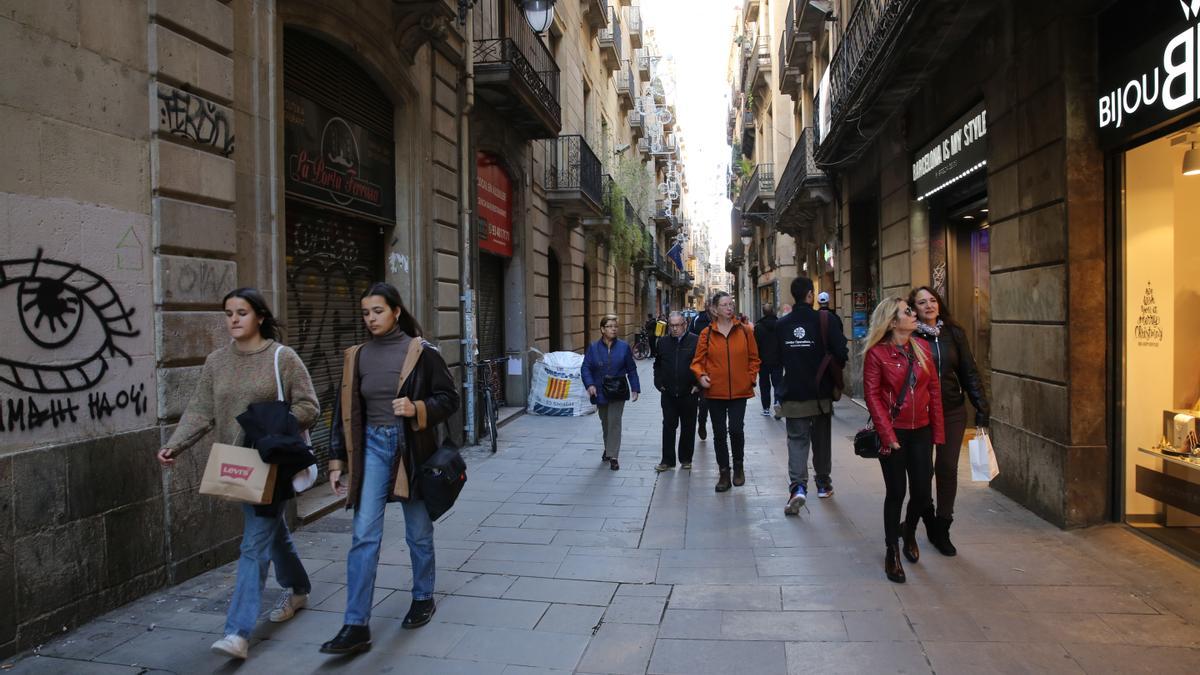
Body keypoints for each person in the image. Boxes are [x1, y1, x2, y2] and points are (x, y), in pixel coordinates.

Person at [158, 288, 319, 661]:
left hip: (272, 463)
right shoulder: (217, 361)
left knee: (253, 544)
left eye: (241, 312)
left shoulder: (282, 357)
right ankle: (298, 588)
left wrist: (274, 425)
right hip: (238, 464)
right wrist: (175, 445)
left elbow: (309, 405)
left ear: (260, 316)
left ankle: (237, 632)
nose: (233, 319)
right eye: (228, 313)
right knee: (272, 534)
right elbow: (200, 411)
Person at [320, 282, 460, 655]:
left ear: (396, 311)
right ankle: (355, 625)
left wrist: (417, 409)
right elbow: (343, 412)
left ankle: (423, 596)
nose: (371, 319)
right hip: (371, 450)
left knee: (417, 530)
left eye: (378, 311)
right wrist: (337, 462)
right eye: (366, 313)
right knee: (364, 535)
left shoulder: (421, 352)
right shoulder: (357, 355)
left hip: (410, 450)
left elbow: (450, 398)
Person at [862, 297, 944, 584]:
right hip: (893, 432)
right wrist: (887, 434)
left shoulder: (922, 348)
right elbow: (872, 397)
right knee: (896, 492)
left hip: (921, 430)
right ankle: (891, 551)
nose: (914, 314)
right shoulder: (877, 354)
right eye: (908, 311)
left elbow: (934, 391)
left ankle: (908, 530)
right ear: (893, 322)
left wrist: (938, 432)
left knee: (922, 493)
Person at [909, 286, 990, 556]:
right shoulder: (909, 335)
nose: (929, 305)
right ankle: (928, 516)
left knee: (946, 467)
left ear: (939, 303)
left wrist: (981, 404)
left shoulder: (954, 333)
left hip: (952, 411)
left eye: (933, 300)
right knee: (922, 472)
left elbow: (969, 370)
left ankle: (943, 526)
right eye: (922, 302)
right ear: (914, 308)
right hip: (920, 413)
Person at [777, 277, 848, 514]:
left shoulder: (782, 324)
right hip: (820, 393)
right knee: (821, 439)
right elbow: (841, 352)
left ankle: (797, 487)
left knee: (797, 440)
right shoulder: (826, 320)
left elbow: (774, 361)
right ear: (810, 294)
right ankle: (822, 483)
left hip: (794, 393)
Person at [691, 291, 760, 492]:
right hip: (715, 391)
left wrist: (750, 378)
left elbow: (754, 358)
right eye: (725, 305)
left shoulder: (745, 331)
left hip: (740, 390)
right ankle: (724, 472)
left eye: (731, 304)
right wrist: (701, 375)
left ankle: (738, 466)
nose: (729, 307)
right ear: (714, 309)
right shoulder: (707, 334)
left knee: (736, 430)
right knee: (719, 433)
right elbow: (698, 362)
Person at [581, 314, 641, 471]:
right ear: (602, 329)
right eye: (610, 326)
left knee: (614, 422)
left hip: (618, 389)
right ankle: (608, 447)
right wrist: (590, 384)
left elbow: (631, 368)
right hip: (600, 390)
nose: (614, 329)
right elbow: (585, 368)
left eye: (615, 326)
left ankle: (613, 456)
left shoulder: (623, 347)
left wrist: (635, 388)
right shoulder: (593, 348)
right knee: (605, 422)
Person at [654, 311, 699, 471]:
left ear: (684, 325)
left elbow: (702, 364)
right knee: (668, 426)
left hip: (689, 393)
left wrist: (698, 385)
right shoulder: (663, 342)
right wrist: (659, 383)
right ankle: (667, 460)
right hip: (669, 393)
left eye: (677, 325)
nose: (674, 329)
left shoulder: (695, 341)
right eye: (671, 325)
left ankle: (686, 459)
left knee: (688, 426)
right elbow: (657, 364)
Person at [689, 299, 714, 440]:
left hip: (716, 368)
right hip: (700, 365)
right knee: (703, 402)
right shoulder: (697, 319)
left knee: (710, 402)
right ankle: (702, 423)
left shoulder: (722, 321)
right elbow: (689, 338)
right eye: (709, 306)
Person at [754, 304, 783, 418]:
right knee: (778, 384)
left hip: (763, 362)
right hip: (777, 361)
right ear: (773, 311)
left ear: (763, 312)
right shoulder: (780, 325)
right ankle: (778, 403)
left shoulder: (758, 327)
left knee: (764, 385)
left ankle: (766, 408)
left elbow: (755, 346)